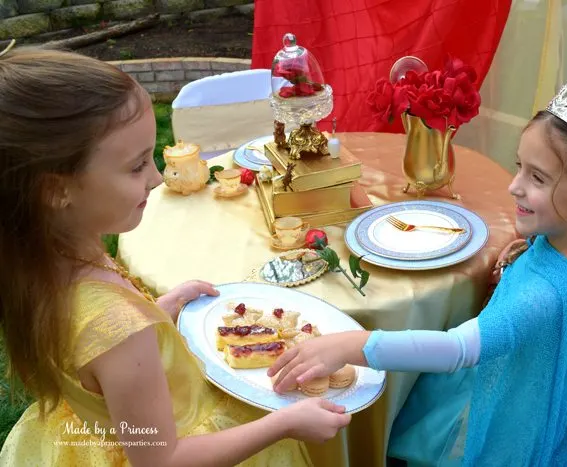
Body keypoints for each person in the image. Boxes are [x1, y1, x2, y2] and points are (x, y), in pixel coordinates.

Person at [268, 76, 567, 466]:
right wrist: (528, 249)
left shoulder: (542, 297)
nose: (514, 186)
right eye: (520, 167)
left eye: (537, 178)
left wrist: (352, 346)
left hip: (519, 409)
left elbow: (458, 349)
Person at [0, 45, 350, 466]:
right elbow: (161, 460)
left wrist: (158, 314)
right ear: (57, 191)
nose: (155, 177)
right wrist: (284, 423)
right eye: (136, 166)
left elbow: (93, 358)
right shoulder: (120, 334)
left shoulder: (42, 262)